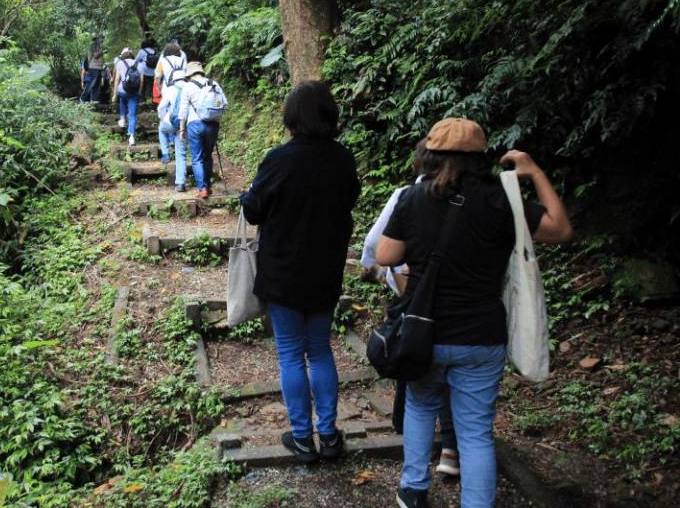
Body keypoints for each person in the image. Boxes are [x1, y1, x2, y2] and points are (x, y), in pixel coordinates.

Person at [376, 118, 573, 508]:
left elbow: (385, 256)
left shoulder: (413, 199)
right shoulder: (503, 199)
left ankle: (413, 490)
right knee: (476, 431)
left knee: (419, 405)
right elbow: (561, 229)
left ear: (430, 154)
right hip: (481, 335)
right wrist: (534, 172)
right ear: (481, 157)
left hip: (424, 333)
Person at [240, 81, 360, 463]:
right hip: (325, 271)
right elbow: (349, 202)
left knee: (291, 354)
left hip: (283, 273)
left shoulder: (279, 160)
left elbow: (254, 210)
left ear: (292, 117)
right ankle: (328, 435)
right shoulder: (343, 160)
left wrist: (248, 197)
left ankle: (301, 438)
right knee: (321, 350)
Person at [360, 138, 460, 478]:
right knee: (467, 408)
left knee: (421, 378)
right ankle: (451, 448)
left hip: (419, 304)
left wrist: (383, 271)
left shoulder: (408, 196)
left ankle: (414, 484)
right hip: (473, 315)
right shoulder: (487, 199)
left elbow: (378, 251)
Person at [177, 62, 227, 199]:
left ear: (189, 74)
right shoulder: (213, 83)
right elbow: (224, 103)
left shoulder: (187, 87)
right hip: (212, 125)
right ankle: (208, 186)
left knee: (197, 158)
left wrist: (182, 129)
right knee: (207, 155)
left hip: (194, 125)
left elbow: (183, 110)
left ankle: (202, 188)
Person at [157, 69, 189, 190]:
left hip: (170, 121)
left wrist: (162, 117)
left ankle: (165, 154)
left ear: (173, 79)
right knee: (181, 153)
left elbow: (161, 107)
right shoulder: (190, 87)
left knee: (161, 129)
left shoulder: (170, 89)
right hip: (184, 124)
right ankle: (180, 183)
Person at [111, 48, 141, 146]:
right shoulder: (137, 63)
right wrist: (139, 92)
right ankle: (131, 137)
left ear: (124, 56)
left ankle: (123, 118)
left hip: (122, 90)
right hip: (134, 92)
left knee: (122, 98)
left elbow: (116, 80)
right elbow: (142, 80)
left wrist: (114, 94)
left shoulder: (120, 63)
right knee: (132, 115)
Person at [135, 38, 160, 104]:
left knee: (142, 86)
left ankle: (142, 100)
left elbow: (136, 60)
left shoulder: (142, 51)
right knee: (150, 86)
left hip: (142, 72)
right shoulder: (154, 51)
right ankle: (151, 101)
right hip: (152, 72)